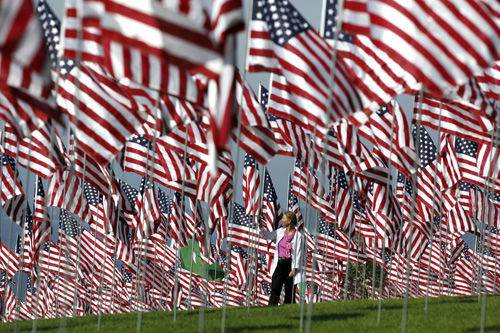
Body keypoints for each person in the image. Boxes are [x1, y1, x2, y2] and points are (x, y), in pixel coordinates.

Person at [261, 211, 304, 305]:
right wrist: (260, 227)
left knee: (289, 291)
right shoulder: (280, 231)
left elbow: (298, 252)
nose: (282, 220)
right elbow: (268, 236)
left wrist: (294, 269)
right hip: (280, 263)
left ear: (289, 221)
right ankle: (271, 308)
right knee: (275, 288)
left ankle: (288, 310)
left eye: (284, 218)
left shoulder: (298, 235)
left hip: (290, 264)